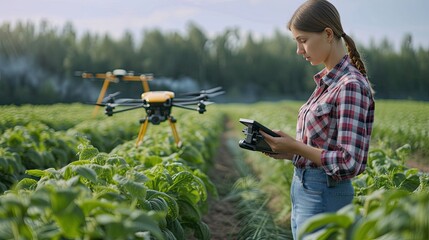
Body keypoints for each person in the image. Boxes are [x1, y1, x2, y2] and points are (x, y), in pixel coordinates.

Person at [260, 0, 375, 239]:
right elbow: (324, 148)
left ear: (328, 34)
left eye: (303, 40)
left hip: (325, 193)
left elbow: (349, 161)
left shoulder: (350, 86)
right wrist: (291, 151)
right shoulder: (327, 83)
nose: (299, 50)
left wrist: (297, 147)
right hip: (305, 190)